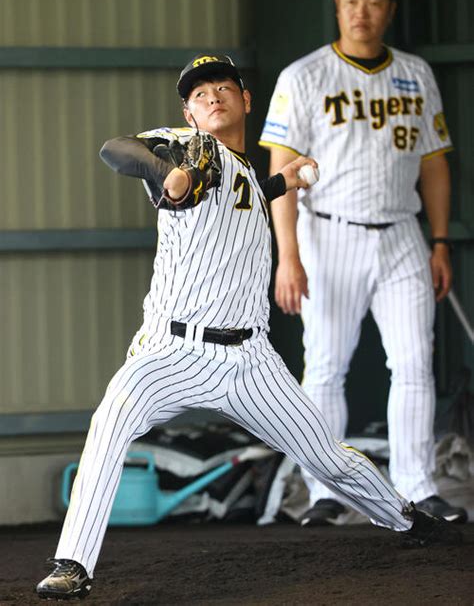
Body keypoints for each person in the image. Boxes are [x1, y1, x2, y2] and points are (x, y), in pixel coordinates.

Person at [36, 54, 460, 601]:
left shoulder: (242, 173)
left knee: (326, 455)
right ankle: (72, 563)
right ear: (187, 112)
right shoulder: (190, 147)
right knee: (110, 422)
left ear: (246, 100)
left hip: (250, 360)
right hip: (172, 349)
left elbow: (247, 193)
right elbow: (115, 150)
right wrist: (170, 174)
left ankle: (405, 517)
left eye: (223, 87)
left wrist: (284, 179)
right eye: (199, 93)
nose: (212, 96)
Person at [259, 0, 467, 528]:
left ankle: (417, 487)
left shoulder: (417, 73)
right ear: (336, 7)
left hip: (402, 232)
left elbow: (434, 163)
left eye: (374, 1)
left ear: (390, 10)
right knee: (325, 366)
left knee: (414, 363)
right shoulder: (304, 75)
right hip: (330, 229)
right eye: (351, 1)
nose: (361, 11)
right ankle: (326, 492)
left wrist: (440, 240)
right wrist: (290, 254)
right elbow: (281, 170)